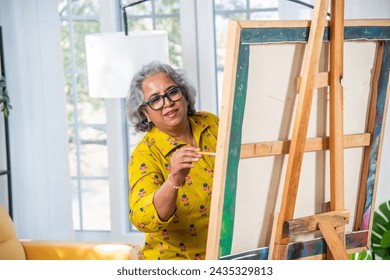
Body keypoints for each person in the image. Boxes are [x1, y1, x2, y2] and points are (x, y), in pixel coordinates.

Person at [126, 61, 219, 260]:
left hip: (228, 253)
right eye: (155, 100)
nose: (167, 102)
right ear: (145, 113)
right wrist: (174, 180)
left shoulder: (210, 123)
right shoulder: (145, 154)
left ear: (184, 95)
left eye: (172, 92)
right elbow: (142, 218)